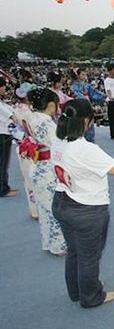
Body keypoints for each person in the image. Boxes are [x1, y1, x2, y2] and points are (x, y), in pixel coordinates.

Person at [51, 99, 114, 308]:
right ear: (87, 120)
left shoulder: (57, 141)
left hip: (62, 202)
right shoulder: (85, 149)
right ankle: (91, 296)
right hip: (86, 209)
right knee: (89, 256)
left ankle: (77, 291)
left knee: (75, 251)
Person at [27, 88, 67, 255]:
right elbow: (59, 145)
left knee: (45, 209)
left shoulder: (32, 118)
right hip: (48, 169)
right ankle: (59, 245)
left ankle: (49, 242)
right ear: (51, 105)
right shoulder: (47, 123)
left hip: (37, 167)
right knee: (54, 209)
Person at [13, 82, 37, 217]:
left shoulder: (15, 110)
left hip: (22, 147)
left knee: (28, 180)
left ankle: (34, 210)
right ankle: (39, 209)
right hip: (34, 147)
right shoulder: (30, 113)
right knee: (36, 179)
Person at [71, 68, 106, 143]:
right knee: (81, 126)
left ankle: (90, 142)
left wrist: (104, 96)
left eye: (85, 74)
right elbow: (76, 94)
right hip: (79, 107)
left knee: (90, 125)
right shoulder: (74, 86)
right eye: (82, 74)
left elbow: (94, 93)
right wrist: (84, 99)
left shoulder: (87, 86)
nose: (84, 76)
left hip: (88, 106)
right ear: (78, 75)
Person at [0, 77, 17, 197]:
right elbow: (12, 116)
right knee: (2, 163)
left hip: (5, 134)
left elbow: (12, 111)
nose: (5, 89)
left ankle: (4, 187)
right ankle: (2, 189)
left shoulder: (2, 102)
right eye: (3, 86)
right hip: (2, 135)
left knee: (4, 163)